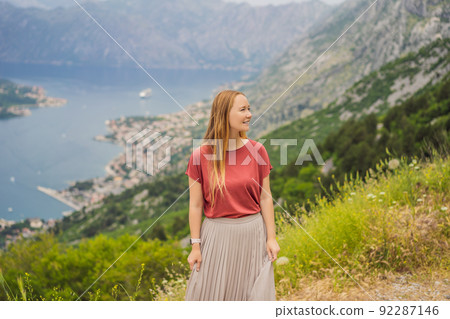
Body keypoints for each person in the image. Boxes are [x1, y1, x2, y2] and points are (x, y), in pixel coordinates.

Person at [184, 89, 280, 301]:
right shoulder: (200, 156)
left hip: (253, 234)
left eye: (249, 109)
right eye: (243, 109)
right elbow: (196, 205)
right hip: (217, 237)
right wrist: (196, 246)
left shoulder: (258, 150)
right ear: (224, 115)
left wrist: (271, 238)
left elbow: (265, 197)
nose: (249, 115)